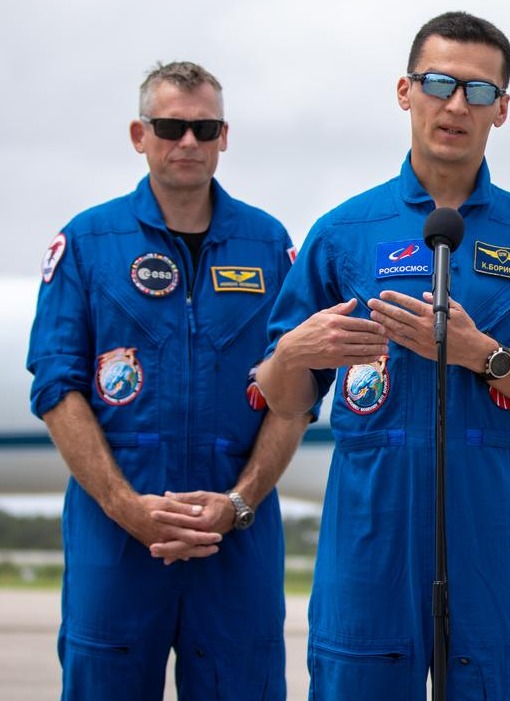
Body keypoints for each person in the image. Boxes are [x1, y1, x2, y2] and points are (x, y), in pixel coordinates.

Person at [255, 11, 510, 700]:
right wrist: (289, 352)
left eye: (478, 91)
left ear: (502, 109)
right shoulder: (342, 233)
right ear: (404, 90)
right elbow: (282, 396)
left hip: (489, 524)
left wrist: (485, 355)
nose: (456, 104)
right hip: (370, 525)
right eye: (438, 83)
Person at [26, 61, 308, 700]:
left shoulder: (270, 247)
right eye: (171, 126)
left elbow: (293, 399)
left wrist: (236, 505)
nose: (188, 142)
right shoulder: (88, 242)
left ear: (224, 136)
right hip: (118, 541)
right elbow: (56, 388)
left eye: (203, 128)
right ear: (139, 133)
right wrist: (129, 509)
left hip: (234, 538)